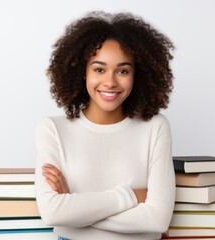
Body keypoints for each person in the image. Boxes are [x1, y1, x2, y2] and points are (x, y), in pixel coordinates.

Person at [35, 11, 176, 240]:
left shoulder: (155, 127)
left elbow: (158, 219)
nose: (110, 82)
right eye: (99, 69)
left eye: (123, 71)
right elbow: (52, 213)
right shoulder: (52, 128)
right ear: (83, 72)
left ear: (136, 75)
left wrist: (76, 208)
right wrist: (130, 196)